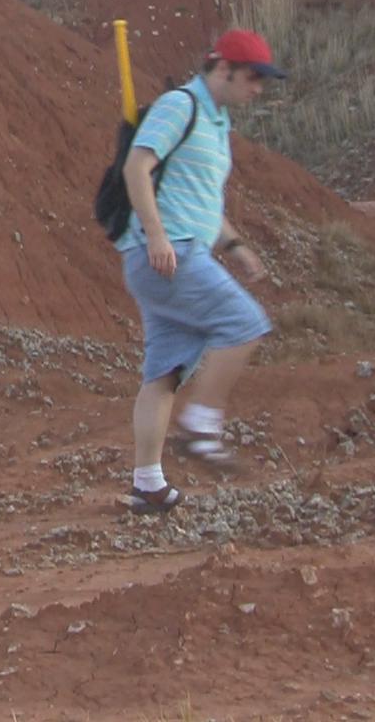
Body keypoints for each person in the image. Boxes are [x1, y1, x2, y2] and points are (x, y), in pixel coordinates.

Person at [117, 30, 286, 514]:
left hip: (177, 251)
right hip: (168, 255)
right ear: (222, 68)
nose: (258, 88)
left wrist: (234, 246)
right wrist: (155, 234)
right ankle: (201, 427)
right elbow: (136, 168)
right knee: (246, 323)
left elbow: (202, 204)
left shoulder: (216, 124)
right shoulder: (179, 105)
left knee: (164, 375)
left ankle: (147, 483)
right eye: (253, 77)